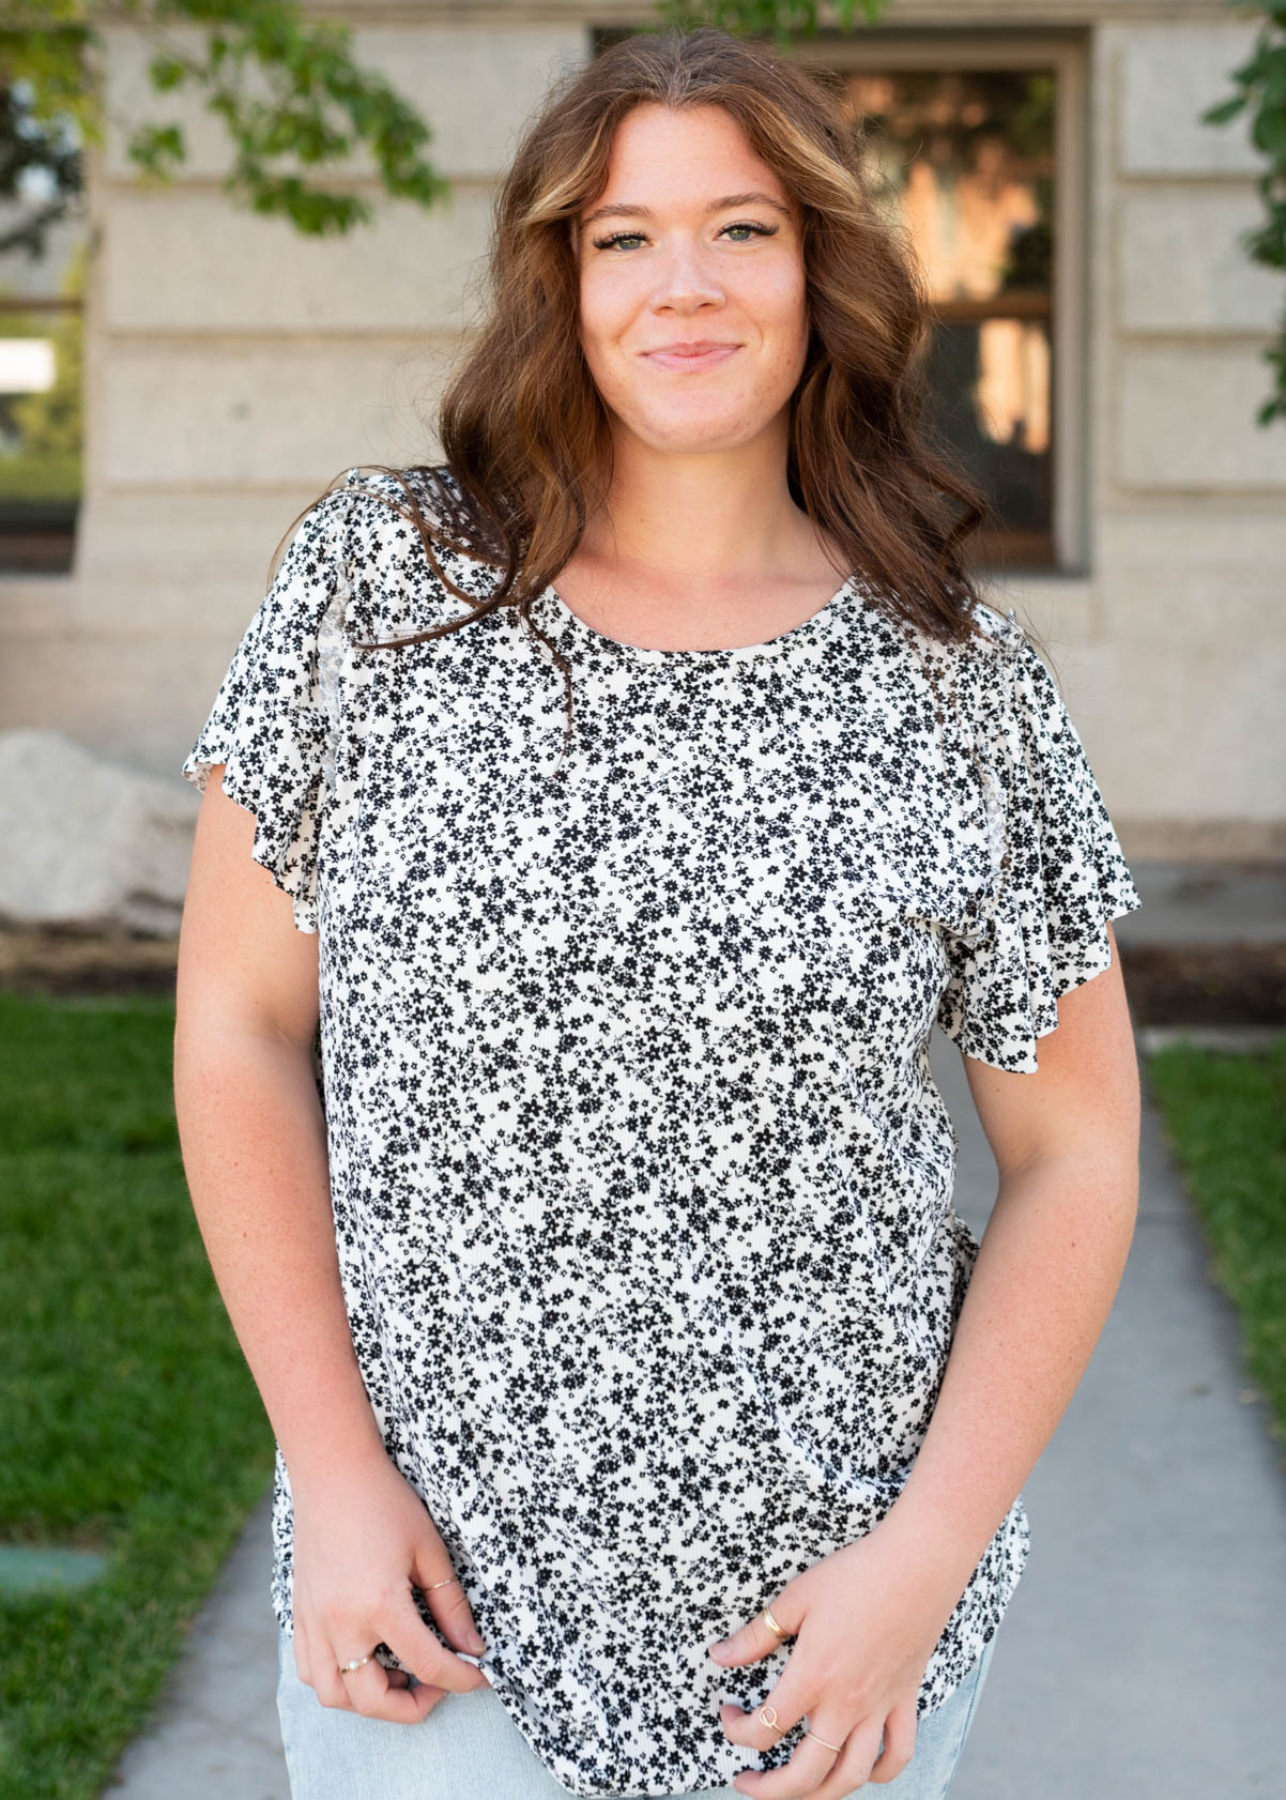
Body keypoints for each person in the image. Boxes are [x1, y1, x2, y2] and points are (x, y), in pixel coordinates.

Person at [173, 26, 1143, 1800]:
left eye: (739, 230)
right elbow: (237, 1030)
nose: (677, 287)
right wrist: (330, 1472)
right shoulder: (383, 589)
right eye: (621, 237)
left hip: (827, 1617)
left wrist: (918, 1566)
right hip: (433, 1586)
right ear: (560, 279)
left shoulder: (960, 690)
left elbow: (1077, 1150)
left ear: (820, 268)